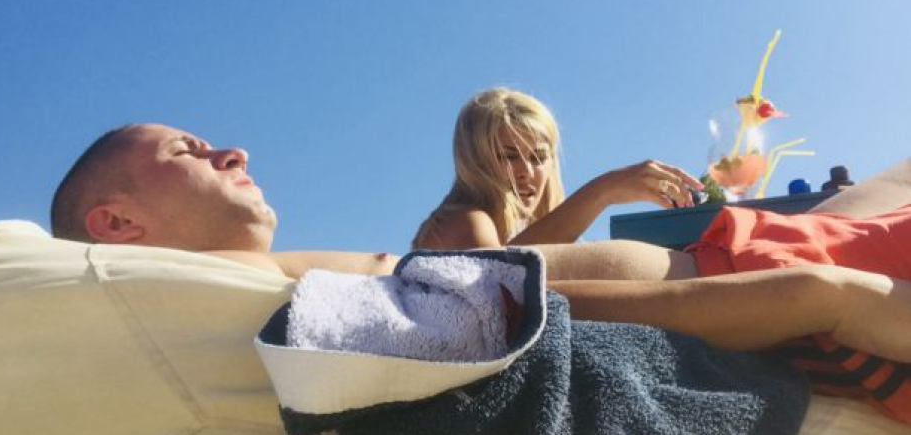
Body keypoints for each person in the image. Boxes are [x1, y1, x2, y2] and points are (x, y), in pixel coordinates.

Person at [50, 122, 911, 421]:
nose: (233, 150)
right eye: (188, 151)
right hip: (752, 280)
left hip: (754, 260)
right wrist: (807, 296)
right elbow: (523, 305)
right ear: (116, 224)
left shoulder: (278, 287)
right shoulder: (288, 300)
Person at [412, 87, 704, 250]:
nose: (527, 172)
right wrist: (604, 191)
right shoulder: (463, 221)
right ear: (475, 161)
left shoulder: (517, 233)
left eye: (539, 158)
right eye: (508, 156)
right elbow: (501, 284)